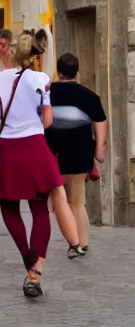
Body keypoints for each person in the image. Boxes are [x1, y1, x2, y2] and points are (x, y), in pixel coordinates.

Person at [0, 33, 83, 300]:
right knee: (39, 210)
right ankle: (35, 272)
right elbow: (47, 121)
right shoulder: (41, 80)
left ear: (7, 52)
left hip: (7, 152)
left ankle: (27, 256)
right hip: (35, 149)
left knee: (9, 208)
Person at [45, 53, 108, 253]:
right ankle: (82, 241)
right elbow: (101, 129)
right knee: (78, 201)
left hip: (54, 156)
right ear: (77, 72)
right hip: (80, 154)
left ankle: (73, 241)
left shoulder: (47, 94)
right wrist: (99, 153)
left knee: (59, 200)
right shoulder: (90, 97)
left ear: (59, 71)